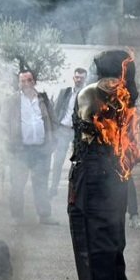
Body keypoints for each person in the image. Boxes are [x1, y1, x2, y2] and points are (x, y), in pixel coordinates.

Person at [68, 50, 140, 280]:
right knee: (113, 262)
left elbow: (85, 127)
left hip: (91, 182)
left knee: (94, 265)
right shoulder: (129, 96)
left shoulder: (92, 92)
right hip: (117, 181)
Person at [1, 69, 58, 225]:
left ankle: (44, 215)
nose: (26, 83)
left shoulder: (44, 99)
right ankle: (17, 217)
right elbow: (3, 125)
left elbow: (53, 122)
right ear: (18, 83)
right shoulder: (11, 101)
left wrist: (52, 143)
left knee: (41, 183)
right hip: (20, 150)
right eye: (22, 81)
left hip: (41, 149)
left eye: (29, 80)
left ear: (34, 81)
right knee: (17, 184)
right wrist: (8, 146)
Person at [49, 67, 88, 197]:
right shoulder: (65, 92)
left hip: (77, 132)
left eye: (81, 78)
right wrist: (54, 129)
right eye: (77, 77)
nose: (79, 80)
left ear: (85, 79)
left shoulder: (87, 95)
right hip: (63, 130)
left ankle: (76, 190)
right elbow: (55, 110)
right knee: (58, 160)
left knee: (78, 161)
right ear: (73, 78)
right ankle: (53, 187)